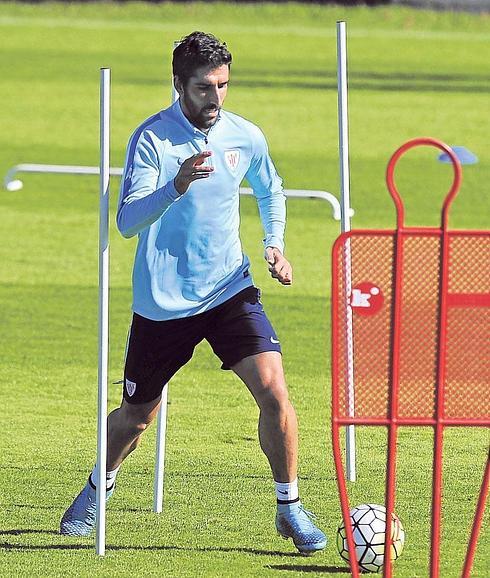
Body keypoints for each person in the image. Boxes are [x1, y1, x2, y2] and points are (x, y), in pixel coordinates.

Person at [60, 31, 327, 555]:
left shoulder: (244, 135)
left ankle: (289, 506)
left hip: (230, 287)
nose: (217, 98)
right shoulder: (152, 139)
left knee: (275, 392)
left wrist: (275, 245)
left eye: (224, 85)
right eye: (205, 87)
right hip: (163, 302)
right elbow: (128, 222)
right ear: (179, 84)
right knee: (136, 417)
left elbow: (271, 188)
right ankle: (97, 487)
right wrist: (176, 185)